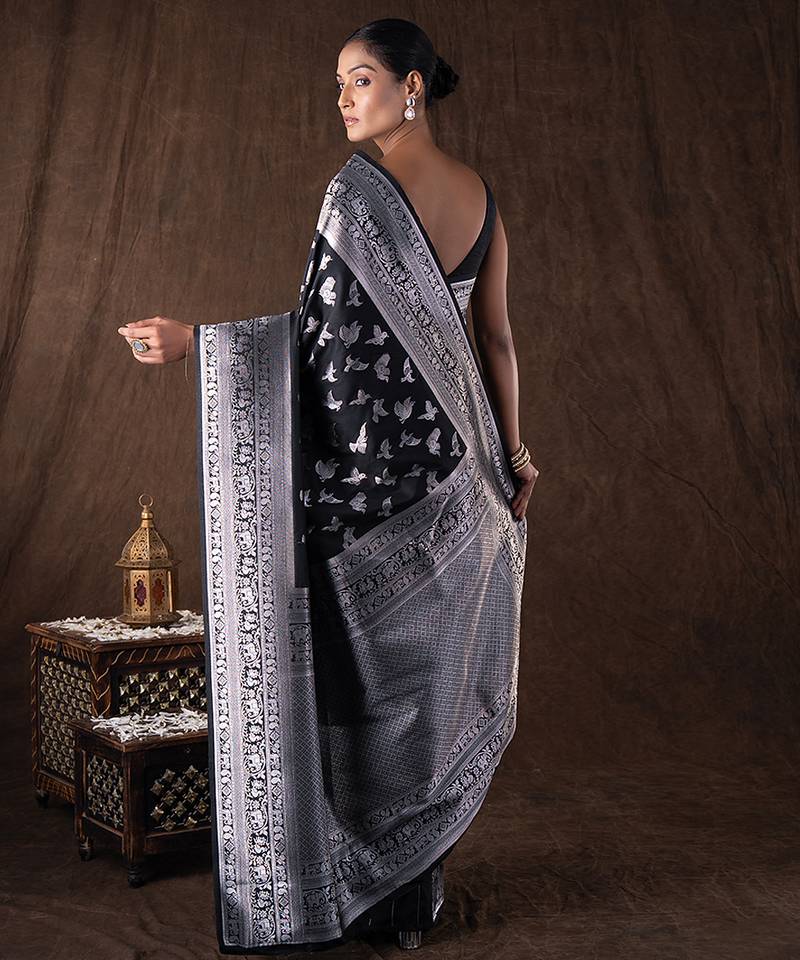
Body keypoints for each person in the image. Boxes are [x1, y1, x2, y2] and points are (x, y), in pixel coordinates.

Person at [117, 17, 537, 954]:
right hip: (462, 490)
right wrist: (513, 459)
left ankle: (351, 886)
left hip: (374, 496)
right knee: (426, 691)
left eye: (360, 80)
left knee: (356, 682)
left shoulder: (357, 197)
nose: (344, 99)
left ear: (412, 87)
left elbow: (316, 347)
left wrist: (198, 343)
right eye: (339, 84)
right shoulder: (482, 198)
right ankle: (411, 903)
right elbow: (498, 341)